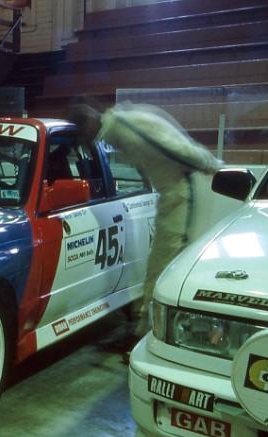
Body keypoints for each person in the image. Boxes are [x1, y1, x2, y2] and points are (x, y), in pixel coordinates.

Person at [68, 100, 222, 340]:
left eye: (82, 135)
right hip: (171, 193)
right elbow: (146, 159)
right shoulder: (119, 127)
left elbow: (173, 148)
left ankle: (153, 338)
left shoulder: (125, 129)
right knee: (159, 267)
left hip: (183, 191)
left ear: (89, 123)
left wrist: (212, 166)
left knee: (166, 266)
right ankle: (145, 333)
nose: (85, 141)